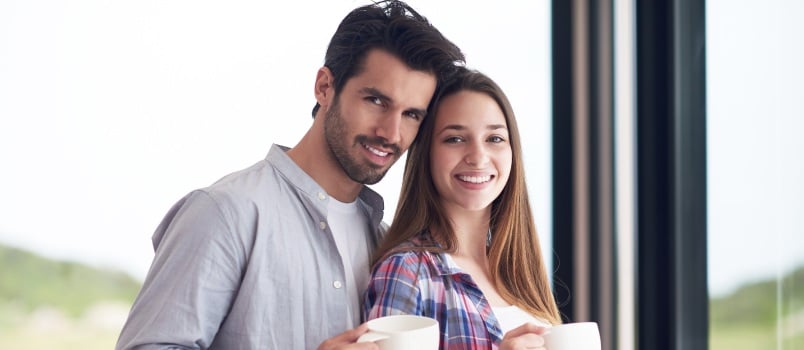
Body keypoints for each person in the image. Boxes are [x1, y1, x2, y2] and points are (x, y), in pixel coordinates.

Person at [115, 1, 465, 349]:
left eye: (412, 115)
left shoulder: (385, 242)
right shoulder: (225, 213)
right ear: (325, 87)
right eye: (376, 100)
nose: (391, 132)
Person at [362, 68, 562, 349]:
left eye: (494, 139)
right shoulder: (406, 273)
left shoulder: (519, 275)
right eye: (455, 139)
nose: (478, 157)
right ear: (426, 154)